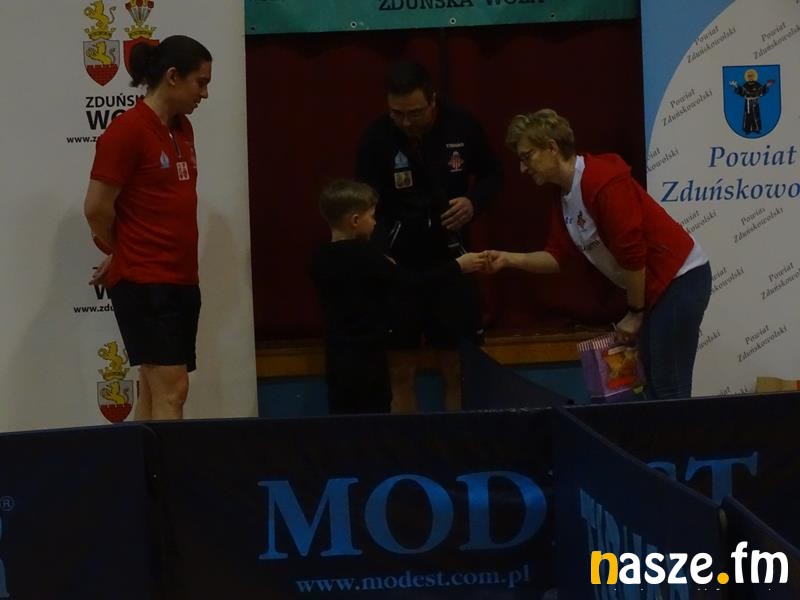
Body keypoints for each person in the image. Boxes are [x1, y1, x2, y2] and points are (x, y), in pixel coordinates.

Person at [487, 109, 711, 400]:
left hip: (680, 279)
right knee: (655, 389)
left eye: (527, 156)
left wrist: (635, 313)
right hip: (654, 290)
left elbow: (633, 253)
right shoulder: (564, 196)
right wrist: (508, 259)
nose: (522, 168)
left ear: (552, 148)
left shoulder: (602, 180)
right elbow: (557, 256)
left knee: (669, 389)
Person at [355, 60, 502, 412]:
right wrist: (380, 252)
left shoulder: (461, 124)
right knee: (400, 370)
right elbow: (362, 201)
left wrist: (473, 202)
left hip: (452, 260)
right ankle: (407, 443)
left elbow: (494, 174)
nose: (406, 122)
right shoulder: (376, 137)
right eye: (397, 113)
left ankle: (459, 438)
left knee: (455, 369)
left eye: (415, 113)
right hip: (399, 266)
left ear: (433, 100)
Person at [83, 35, 212, 420]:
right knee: (173, 390)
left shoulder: (183, 129)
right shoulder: (126, 131)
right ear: (172, 76)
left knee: (155, 390)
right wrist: (121, 251)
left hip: (182, 278)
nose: (205, 94)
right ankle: (171, 464)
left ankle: (142, 461)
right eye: (200, 82)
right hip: (146, 283)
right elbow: (96, 208)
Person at [310, 179, 486, 415]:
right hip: (369, 357)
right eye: (372, 216)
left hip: (336, 358)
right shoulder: (368, 257)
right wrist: (458, 266)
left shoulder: (319, 258)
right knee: (375, 418)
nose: (375, 223)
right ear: (355, 221)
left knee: (343, 419)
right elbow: (411, 283)